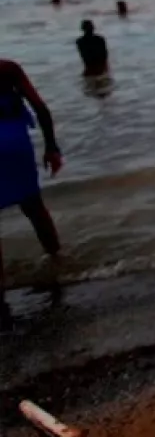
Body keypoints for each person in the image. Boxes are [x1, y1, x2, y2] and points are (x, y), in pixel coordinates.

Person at [0, 60, 63, 329]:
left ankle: (1, 286)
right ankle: (58, 261)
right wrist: (51, 146)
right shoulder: (7, 68)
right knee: (35, 208)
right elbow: (40, 108)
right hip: (15, 142)